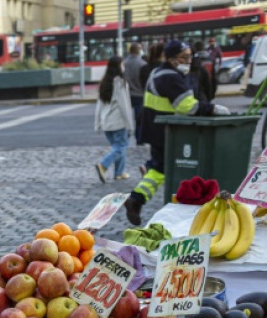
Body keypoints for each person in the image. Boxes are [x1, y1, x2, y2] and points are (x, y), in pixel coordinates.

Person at [123, 40, 229, 226]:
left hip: (159, 129)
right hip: (167, 131)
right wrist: (212, 109)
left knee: (159, 168)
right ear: (172, 59)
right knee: (168, 167)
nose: (189, 61)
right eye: (184, 57)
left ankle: (137, 199)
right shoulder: (169, 77)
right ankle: (151, 202)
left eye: (190, 57)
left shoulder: (163, 72)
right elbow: (187, 106)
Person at [95, 57, 135, 183]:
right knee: (121, 147)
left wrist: (98, 123)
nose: (124, 66)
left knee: (117, 147)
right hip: (118, 122)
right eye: (122, 64)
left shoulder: (104, 83)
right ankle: (103, 165)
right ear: (118, 66)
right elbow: (124, 105)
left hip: (107, 123)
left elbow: (99, 105)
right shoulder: (120, 82)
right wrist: (130, 124)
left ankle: (119, 172)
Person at [122, 43, 146, 144]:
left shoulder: (124, 63)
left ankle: (124, 138)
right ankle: (139, 139)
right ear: (138, 50)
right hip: (139, 94)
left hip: (126, 94)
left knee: (125, 119)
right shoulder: (142, 64)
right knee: (139, 119)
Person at [188, 42, 216, 106]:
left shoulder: (182, 71)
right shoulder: (209, 59)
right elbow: (213, 80)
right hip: (203, 100)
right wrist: (210, 97)